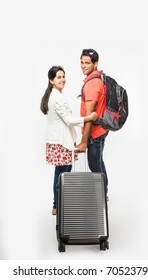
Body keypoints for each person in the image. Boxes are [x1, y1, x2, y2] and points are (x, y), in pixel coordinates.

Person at [40, 65, 97, 215]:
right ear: (51, 80)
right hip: (60, 141)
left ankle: (59, 203)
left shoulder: (56, 95)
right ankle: (56, 206)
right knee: (61, 174)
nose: (62, 80)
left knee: (64, 172)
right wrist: (88, 118)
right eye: (58, 77)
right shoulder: (56, 97)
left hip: (63, 140)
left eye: (63, 76)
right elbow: (68, 120)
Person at [77, 49, 109, 196]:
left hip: (94, 133)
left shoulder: (91, 84)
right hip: (102, 128)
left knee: (94, 164)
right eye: (82, 62)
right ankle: (104, 192)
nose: (83, 66)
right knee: (99, 161)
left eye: (87, 63)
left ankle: (101, 195)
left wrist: (84, 141)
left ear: (95, 64)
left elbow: (89, 116)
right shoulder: (99, 78)